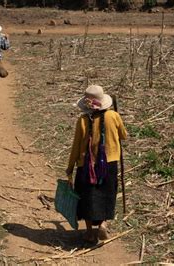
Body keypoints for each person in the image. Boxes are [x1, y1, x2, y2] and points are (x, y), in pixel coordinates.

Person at [66, 85, 127, 243]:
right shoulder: (113, 116)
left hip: (85, 164)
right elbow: (124, 135)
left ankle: (88, 233)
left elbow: (76, 145)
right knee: (107, 194)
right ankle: (103, 224)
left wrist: (70, 167)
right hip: (109, 162)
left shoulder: (83, 120)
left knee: (87, 197)